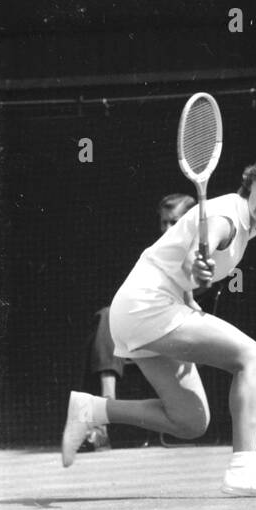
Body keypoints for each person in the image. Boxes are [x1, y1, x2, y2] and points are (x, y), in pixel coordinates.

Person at [62, 150, 256, 497]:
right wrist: (197, 266)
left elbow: (178, 266)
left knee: (190, 421)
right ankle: (243, 470)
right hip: (147, 307)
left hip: (146, 308)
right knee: (253, 357)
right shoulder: (227, 216)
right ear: (251, 181)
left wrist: (191, 296)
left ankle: (93, 409)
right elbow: (195, 255)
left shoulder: (245, 225)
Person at [81, 193, 197, 451]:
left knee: (110, 317)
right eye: (164, 222)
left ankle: (102, 412)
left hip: (179, 330)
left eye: (174, 222)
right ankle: (102, 419)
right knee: (107, 316)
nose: (167, 228)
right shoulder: (155, 254)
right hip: (146, 329)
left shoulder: (203, 251)